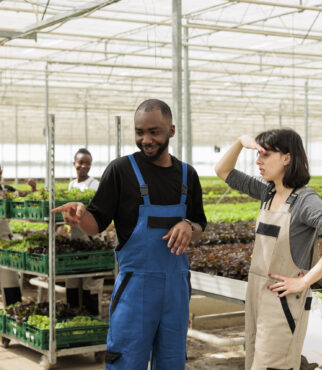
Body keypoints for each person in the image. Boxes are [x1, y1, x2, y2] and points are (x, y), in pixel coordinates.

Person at [52, 99, 207, 370]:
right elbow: (97, 222)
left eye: (154, 132)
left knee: (172, 362)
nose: (145, 139)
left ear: (171, 130)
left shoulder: (187, 175)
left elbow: (200, 226)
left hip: (176, 290)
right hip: (135, 288)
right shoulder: (121, 170)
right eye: (139, 132)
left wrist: (188, 226)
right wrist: (81, 217)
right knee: (126, 361)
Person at [214, 129, 322, 370]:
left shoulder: (305, 201)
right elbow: (222, 171)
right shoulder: (266, 192)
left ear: (287, 158)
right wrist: (239, 142)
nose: (258, 161)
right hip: (256, 295)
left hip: (282, 302)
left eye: (265, 155)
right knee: (253, 362)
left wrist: (304, 281)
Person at [65, 148, 103, 317]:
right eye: (81, 162)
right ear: (74, 164)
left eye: (87, 163)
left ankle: (93, 322)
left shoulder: (94, 185)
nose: (84, 166)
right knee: (72, 284)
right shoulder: (72, 184)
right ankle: (75, 322)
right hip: (75, 243)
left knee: (91, 287)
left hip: (91, 242)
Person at [0, 165, 36, 307]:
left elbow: (26, 199)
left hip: (5, 242)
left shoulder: (7, 191)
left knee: (11, 283)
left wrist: (33, 189)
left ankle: (13, 318)